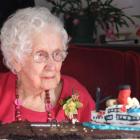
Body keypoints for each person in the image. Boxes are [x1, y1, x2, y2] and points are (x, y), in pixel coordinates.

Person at [0, 7, 95, 123]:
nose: (51, 66)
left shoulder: (76, 94)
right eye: (40, 55)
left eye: (57, 54)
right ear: (16, 60)